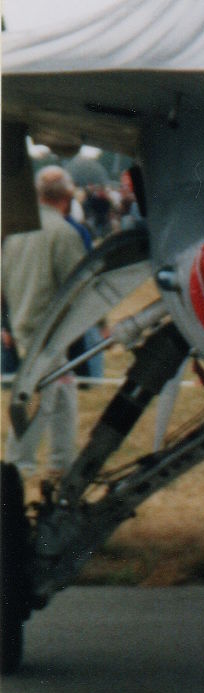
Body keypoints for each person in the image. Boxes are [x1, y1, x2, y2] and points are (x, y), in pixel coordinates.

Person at [2, 166, 88, 478]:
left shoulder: (16, 233)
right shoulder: (64, 233)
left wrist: (5, 325)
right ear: (66, 197)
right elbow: (77, 285)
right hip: (48, 333)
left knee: (63, 394)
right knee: (39, 400)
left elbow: (3, 284)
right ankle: (16, 466)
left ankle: (61, 463)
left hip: (24, 325)